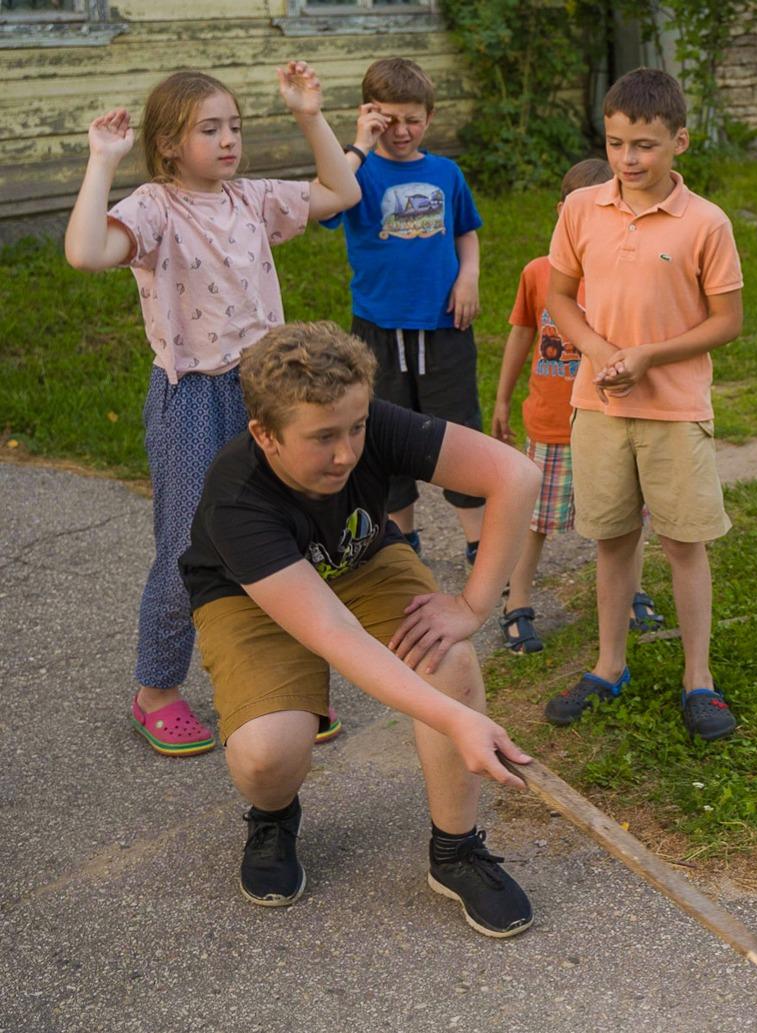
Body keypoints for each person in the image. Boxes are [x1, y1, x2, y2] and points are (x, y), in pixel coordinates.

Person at [179, 320, 540, 937]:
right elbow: (335, 632)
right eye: (323, 437)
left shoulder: (362, 420)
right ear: (265, 434)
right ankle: (273, 816)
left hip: (359, 558)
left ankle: (455, 852)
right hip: (251, 595)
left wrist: (473, 606)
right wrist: (458, 721)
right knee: (267, 753)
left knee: (449, 661)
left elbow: (516, 476)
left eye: (356, 427)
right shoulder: (237, 498)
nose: (347, 453)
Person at [64, 63, 361, 758]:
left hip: (271, 392)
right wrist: (102, 160)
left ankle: (282, 683)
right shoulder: (155, 208)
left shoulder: (252, 198)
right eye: (209, 130)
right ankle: (156, 691)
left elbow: (341, 192)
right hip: (194, 397)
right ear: (169, 144)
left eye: (234, 126)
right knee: (187, 545)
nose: (228, 140)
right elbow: (84, 251)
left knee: (284, 536)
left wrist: (308, 114)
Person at [542, 69, 744, 741]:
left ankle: (698, 679)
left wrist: (649, 357)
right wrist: (601, 352)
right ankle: (609, 665)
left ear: (679, 141)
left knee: (684, 541)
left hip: (675, 410)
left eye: (645, 146)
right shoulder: (581, 209)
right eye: (616, 143)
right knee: (612, 539)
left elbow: (727, 320)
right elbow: (560, 296)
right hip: (598, 407)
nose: (628, 159)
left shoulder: (706, 223)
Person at [490, 157, 664, 655]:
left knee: (627, 519)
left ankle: (630, 594)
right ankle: (516, 601)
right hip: (551, 422)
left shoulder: (627, 271)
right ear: (561, 213)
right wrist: (502, 397)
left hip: (613, 418)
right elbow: (521, 335)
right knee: (535, 519)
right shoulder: (538, 273)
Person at [322, 57, 485, 563]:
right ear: (368, 115)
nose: (401, 131)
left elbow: (466, 230)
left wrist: (469, 275)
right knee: (382, 432)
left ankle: (480, 541)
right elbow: (325, 206)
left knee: (458, 430)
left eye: (413, 120)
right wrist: (359, 145)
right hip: (378, 329)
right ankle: (402, 539)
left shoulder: (446, 173)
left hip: (443, 326)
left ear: (429, 117)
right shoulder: (356, 174)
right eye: (388, 120)